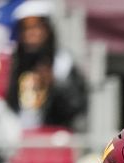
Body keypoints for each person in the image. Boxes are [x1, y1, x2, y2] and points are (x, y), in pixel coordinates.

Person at [5, 0, 87, 131]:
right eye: (25, 29)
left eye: (36, 27)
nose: (30, 34)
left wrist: (55, 84)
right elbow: (10, 103)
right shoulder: (17, 62)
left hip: (54, 137)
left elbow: (77, 106)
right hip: (19, 136)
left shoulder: (63, 62)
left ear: (47, 29)